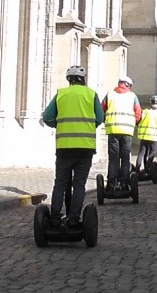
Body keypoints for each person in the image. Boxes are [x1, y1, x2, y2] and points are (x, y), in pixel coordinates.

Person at [41, 65, 104, 228]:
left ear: (69, 80)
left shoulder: (61, 94)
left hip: (64, 147)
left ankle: (55, 218)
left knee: (60, 184)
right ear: (83, 79)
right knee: (79, 185)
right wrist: (87, 126)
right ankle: (74, 219)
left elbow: (47, 117)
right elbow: (100, 118)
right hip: (85, 147)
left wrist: (60, 125)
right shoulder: (91, 94)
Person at [102, 75, 142, 191]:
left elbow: (102, 109)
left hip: (113, 130)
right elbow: (138, 113)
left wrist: (106, 120)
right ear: (129, 85)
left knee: (113, 158)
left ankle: (111, 184)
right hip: (127, 131)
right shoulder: (132, 96)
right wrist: (134, 122)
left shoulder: (109, 95)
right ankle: (124, 183)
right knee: (125, 158)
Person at [136, 95, 157, 173]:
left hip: (144, 136)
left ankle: (137, 170)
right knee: (152, 153)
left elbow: (138, 122)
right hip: (154, 137)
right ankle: (147, 170)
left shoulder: (145, 112)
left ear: (150, 102)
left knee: (141, 153)